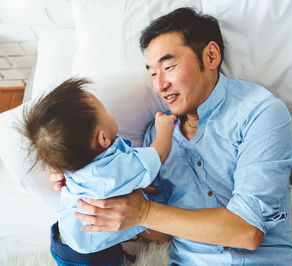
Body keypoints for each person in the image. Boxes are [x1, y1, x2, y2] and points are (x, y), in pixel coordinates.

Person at [58, 7, 292, 265]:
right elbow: (162, 235)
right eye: (153, 73)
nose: (159, 85)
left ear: (211, 56)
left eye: (169, 66)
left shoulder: (259, 112)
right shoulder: (157, 136)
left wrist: (144, 212)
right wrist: (91, 183)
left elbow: (247, 231)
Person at [22, 78, 176, 265]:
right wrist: (164, 128)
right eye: (105, 111)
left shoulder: (73, 162)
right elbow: (159, 153)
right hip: (91, 257)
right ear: (102, 138)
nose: (109, 113)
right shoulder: (114, 169)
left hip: (65, 238)